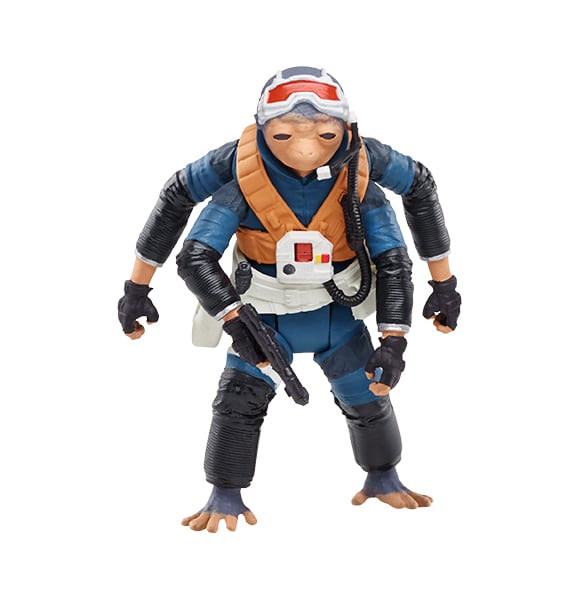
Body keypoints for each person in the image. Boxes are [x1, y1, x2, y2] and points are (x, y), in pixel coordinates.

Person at [118, 66, 461, 533]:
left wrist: (402, 330)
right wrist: (144, 290)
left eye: (324, 135)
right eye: (284, 135)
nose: (304, 149)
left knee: (370, 395)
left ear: (344, 129)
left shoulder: (361, 177)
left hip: (338, 314)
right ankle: (225, 493)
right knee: (237, 404)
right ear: (263, 129)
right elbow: (192, 248)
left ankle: (383, 475)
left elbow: (396, 254)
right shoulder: (240, 176)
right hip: (259, 318)